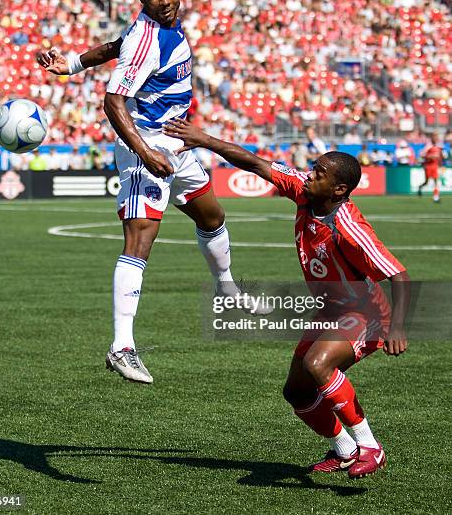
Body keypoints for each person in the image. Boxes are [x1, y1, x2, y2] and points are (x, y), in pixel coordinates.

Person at [36, 0, 242, 384]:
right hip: (144, 147)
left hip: (175, 142)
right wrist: (147, 153)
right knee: (140, 242)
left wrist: (70, 63)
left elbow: (115, 44)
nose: (164, 1)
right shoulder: (147, 39)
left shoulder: (153, 27)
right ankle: (121, 346)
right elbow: (114, 102)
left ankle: (227, 290)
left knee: (212, 216)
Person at [164, 118, 409, 479]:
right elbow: (255, 163)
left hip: (366, 311)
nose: (309, 175)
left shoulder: (349, 228)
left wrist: (399, 327)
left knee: (318, 365)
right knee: (297, 391)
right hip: (331, 309)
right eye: (313, 168)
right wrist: (203, 140)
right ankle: (344, 449)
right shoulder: (303, 192)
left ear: (339, 189)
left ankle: (370, 447)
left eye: (319, 173)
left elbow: (398, 274)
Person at [418, 133, 443, 203]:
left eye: (437, 137)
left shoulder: (438, 146)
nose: (436, 139)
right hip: (428, 166)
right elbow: (421, 154)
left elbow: (439, 156)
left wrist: (440, 163)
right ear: (432, 138)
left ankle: (436, 197)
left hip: (435, 166)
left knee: (436, 182)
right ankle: (420, 187)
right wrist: (431, 156)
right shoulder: (428, 146)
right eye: (435, 137)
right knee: (426, 182)